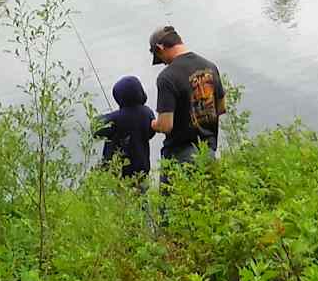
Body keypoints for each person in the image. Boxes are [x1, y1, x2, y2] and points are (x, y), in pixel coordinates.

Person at [149, 24, 226, 169]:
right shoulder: (210, 66)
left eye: (161, 59)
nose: (164, 63)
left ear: (160, 48)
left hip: (179, 157)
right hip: (208, 151)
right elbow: (221, 108)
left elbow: (165, 126)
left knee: (175, 193)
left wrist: (153, 124)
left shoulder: (167, 77)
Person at [94, 74, 155, 181]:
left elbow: (96, 128)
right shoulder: (147, 112)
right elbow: (151, 132)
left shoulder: (116, 118)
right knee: (141, 194)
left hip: (119, 173)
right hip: (141, 171)